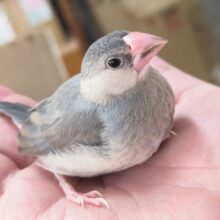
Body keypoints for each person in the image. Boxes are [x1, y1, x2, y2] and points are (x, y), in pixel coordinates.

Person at [0, 57, 220, 219]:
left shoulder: (151, 84)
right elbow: (43, 150)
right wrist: (71, 192)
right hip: (45, 132)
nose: (135, 56)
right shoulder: (97, 120)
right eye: (115, 62)